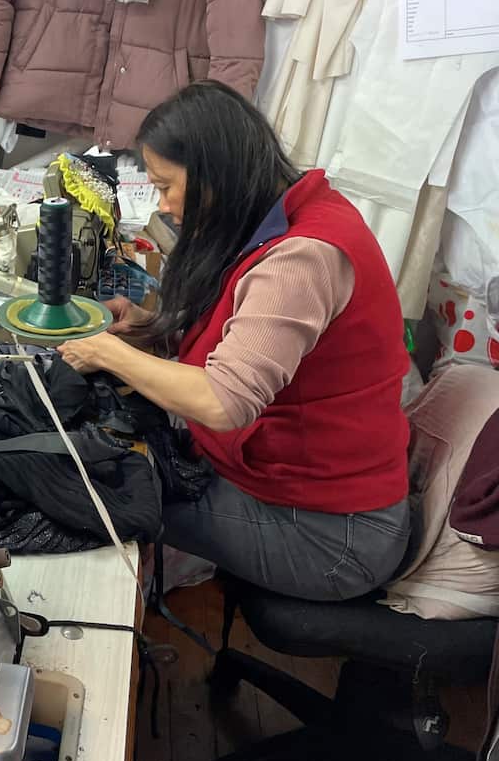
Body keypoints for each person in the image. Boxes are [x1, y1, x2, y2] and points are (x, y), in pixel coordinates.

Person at [58, 81, 410, 602]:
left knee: (92, 496)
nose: (163, 205)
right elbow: (241, 334)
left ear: (215, 174)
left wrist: (107, 351)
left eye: (165, 186)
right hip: (297, 489)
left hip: (333, 537)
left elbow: (224, 401)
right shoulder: (280, 215)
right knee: (104, 468)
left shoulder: (303, 257)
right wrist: (148, 328)